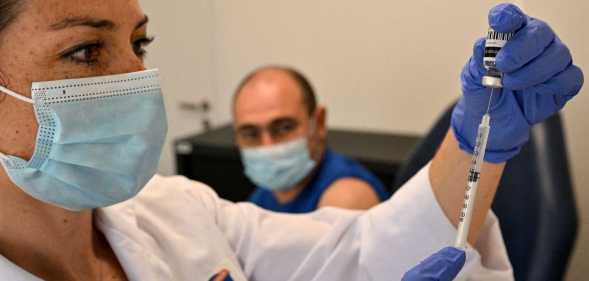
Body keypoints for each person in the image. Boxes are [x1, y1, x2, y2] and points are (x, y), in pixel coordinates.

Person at [0, 1, 582, 280]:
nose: (137, 81)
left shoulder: (170, 210)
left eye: (140, 46)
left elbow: (360, 252)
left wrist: (477, 142)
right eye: (84, 52)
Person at [233, 66, 389, 212]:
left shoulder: (346, 198)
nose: (268, 147)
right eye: (250, 134)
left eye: (284, 128)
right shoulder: (263, 197)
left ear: (319, 122)